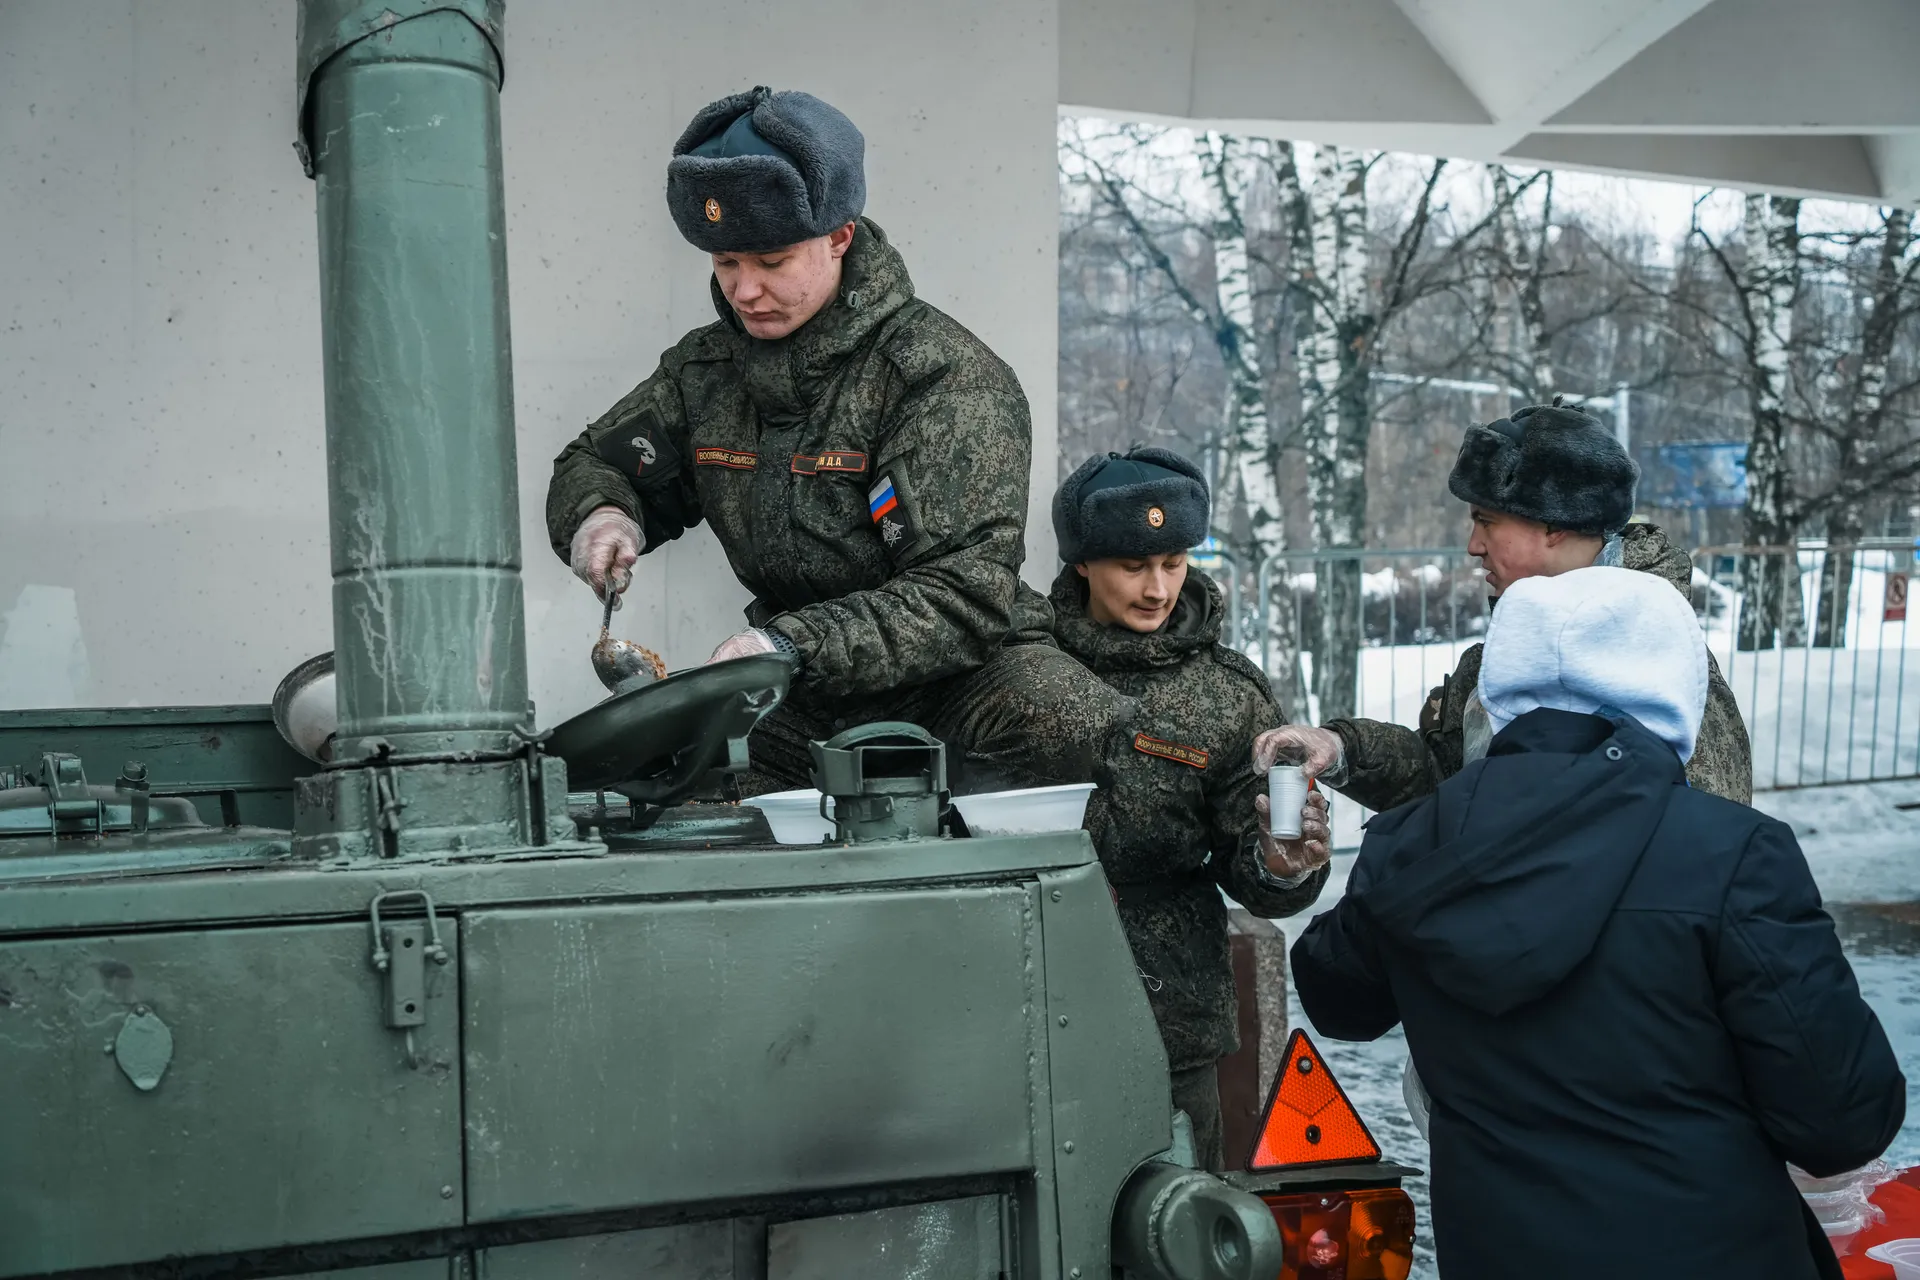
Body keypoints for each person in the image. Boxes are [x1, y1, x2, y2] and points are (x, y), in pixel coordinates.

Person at [1291, 566, 1904, 1280]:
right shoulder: (1733, 852)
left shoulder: (1411, 843)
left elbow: (1336, 998)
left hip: (1499, 1253)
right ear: (1669, 684)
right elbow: (1842, 1121)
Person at [546, 86, 1129, 792]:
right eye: (726, 264)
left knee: (1061, 716)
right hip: (802, 691)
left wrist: (786, 645)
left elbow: (960, 598)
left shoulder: (940, 375)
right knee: (657, 777)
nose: (745, 290)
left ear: (839, 237)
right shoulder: (704, 374)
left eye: (772, 262)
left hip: (959, 683)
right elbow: (599, 463)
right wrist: (601, 513)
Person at [1049, 447, 1333, 1171]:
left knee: (1173, 1231)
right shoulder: (1023, 667)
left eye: (1173, 562)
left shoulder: (1229, 691)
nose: (1157, 588)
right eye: (1132, 566)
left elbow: (1263, 868)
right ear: (1082, 563)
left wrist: (1284, 863)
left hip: (1170, 1020)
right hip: (1029, 1006)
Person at [1255, 400, 1752, 806]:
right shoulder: (1523, 644)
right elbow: (1451, 776)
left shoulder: (1657, 667)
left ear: (1555, 524)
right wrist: (1341, 749)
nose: (1473, 545)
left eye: (1487, 521)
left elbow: (1697, 858)